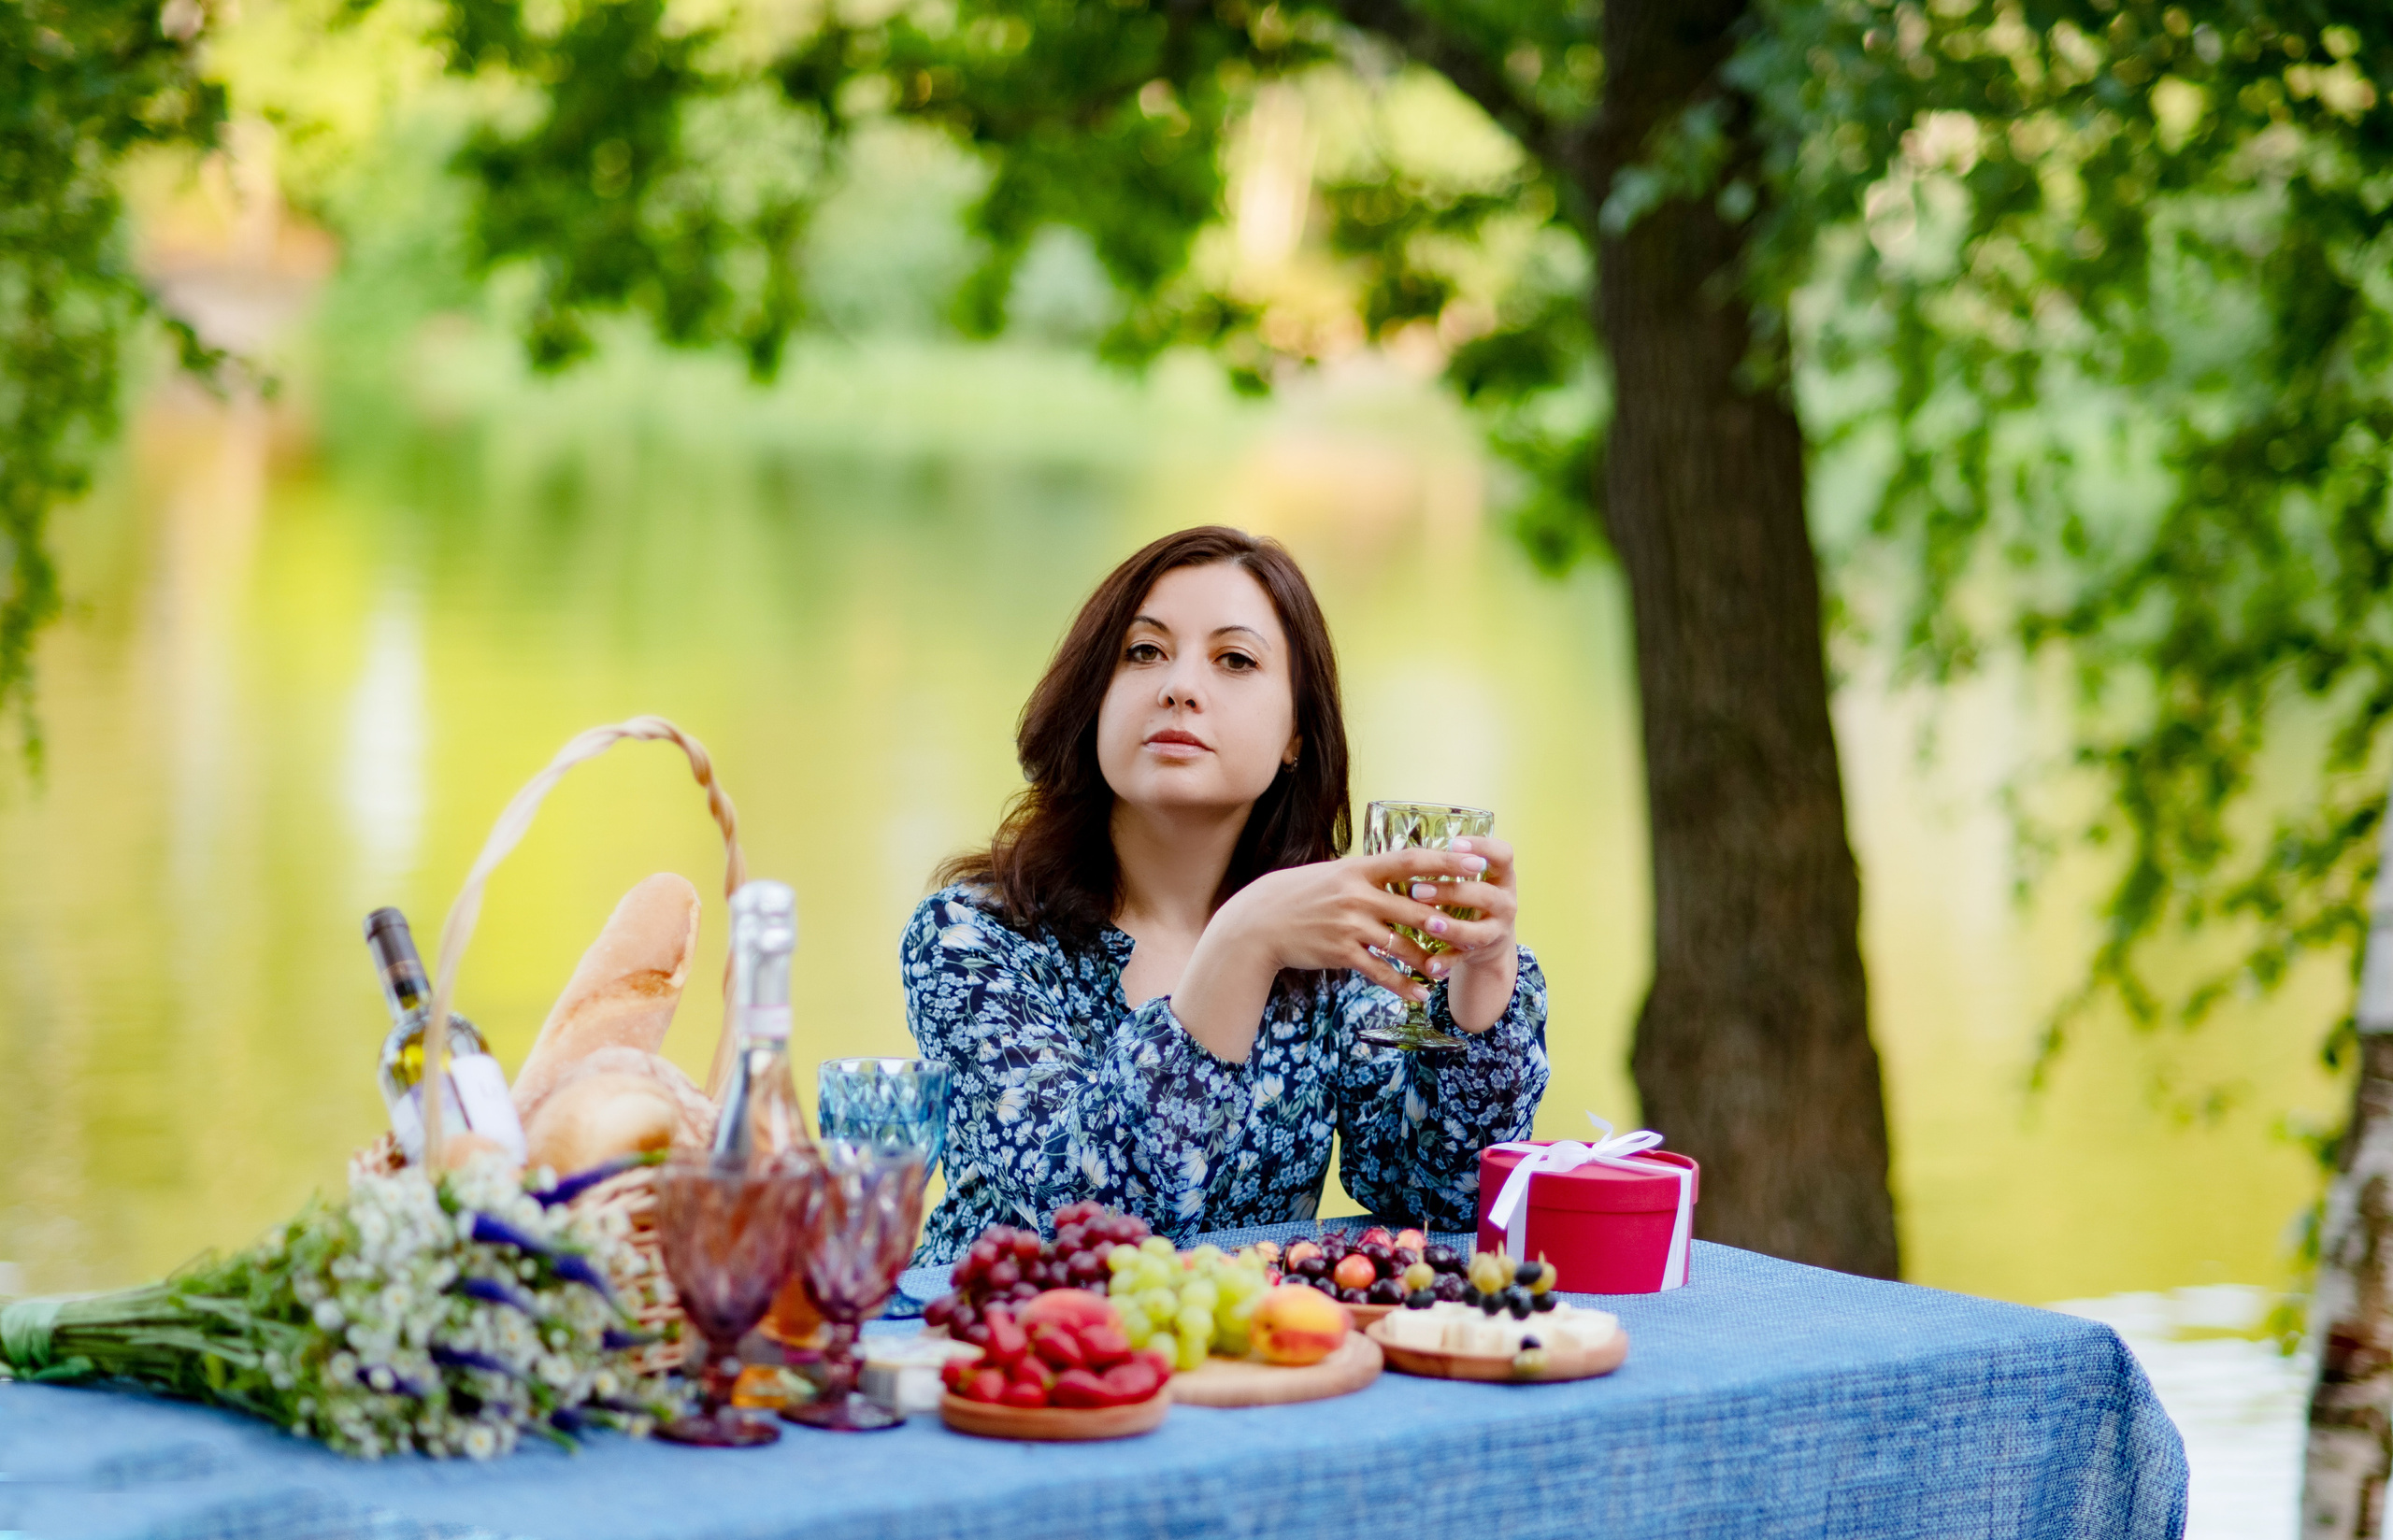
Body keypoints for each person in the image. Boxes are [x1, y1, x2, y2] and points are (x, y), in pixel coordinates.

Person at [903, 526, 1548, 1262]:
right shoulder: (974, 936)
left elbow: (1439, 1196)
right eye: (1143, 652)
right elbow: (1089, 1215)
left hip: (1258, 1358)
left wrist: (1482, 981)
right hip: (1015, 1357)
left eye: (1234, 660)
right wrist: (1244, 941)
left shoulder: (1328, 941)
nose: (1178, 686)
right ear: (1095, 697)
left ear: (1296, 734)